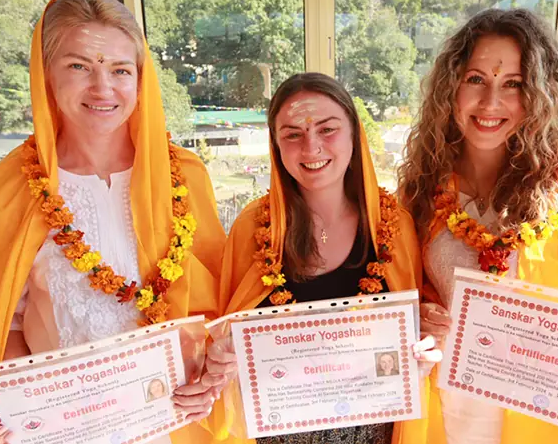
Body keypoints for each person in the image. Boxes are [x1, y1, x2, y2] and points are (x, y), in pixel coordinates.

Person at [0, 0, 225, 444]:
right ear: (46, 75)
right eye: (79, 66)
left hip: (176, 423)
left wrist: (212, 378)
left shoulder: (184, 177)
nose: (103, 88)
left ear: (140, 79)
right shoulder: (4, 193)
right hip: (66, 429)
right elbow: (5, 328)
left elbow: (218, 311)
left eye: (120, 70)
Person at [397, 8, 558, 444]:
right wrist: (418, 317)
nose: (490, 102)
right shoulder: (421, 188)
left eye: (513, 84)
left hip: (541, 413)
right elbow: (403, 289)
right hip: (448, 411)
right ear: (451, 88)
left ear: (539, 92)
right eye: (476, 79)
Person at [185, 73, 438, 444]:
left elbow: (412, 340)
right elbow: (225, 340)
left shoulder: (394, 226)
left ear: (354, 135)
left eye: (327, 129)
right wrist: (220, 358)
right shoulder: (252, 229)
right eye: (293, 134)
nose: (311, 147)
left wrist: (424, 349)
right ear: (276, 146)